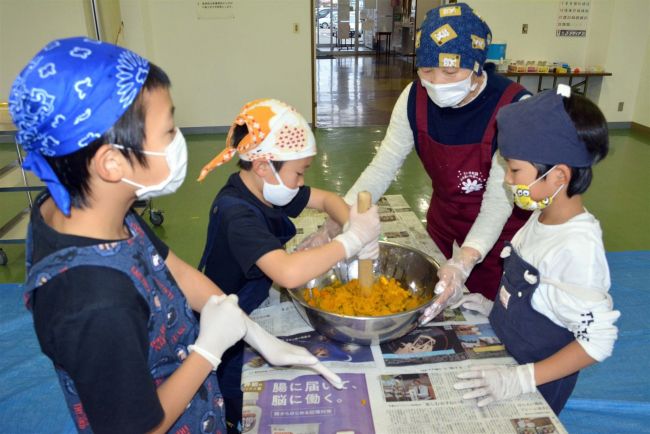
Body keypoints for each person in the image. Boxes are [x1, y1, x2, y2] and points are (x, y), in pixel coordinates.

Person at [11, 37, 341, 434]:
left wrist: (253, 332)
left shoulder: (89, 207)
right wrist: (208, 350)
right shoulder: (93, 301)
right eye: (168, 131)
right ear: (112, 162)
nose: (179, 140)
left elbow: (174, 270)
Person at [300, 3, 532, 319]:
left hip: (500, 236)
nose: (437, 81)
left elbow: (497, 203)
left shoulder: (513, 108)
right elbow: (383, 166)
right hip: (444, 217)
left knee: (490, 311)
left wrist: (464, 261)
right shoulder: (414, 96)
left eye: (450, 71)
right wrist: (334, 224)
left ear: (477, 65)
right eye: (426, 70)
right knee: (432, 293)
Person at [196, 98, 380, 432]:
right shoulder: (237, 212)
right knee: (230, 392)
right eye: (298, 172)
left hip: (252, 295)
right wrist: (350, 243)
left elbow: (326, 200)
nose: (299, 182)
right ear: (263, 164)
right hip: (225, 315)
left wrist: (351, 225)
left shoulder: (269, 188)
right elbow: (287, 272)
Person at [452, 85, 621, 414]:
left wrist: (520, 380)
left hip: (538, 383)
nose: (507, 181)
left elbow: (598, 341)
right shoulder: (540, 215)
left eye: (514, 170)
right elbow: (540, 298)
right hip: (510, 353)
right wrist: (493, 310)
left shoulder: (577, 247)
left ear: (558, 175)